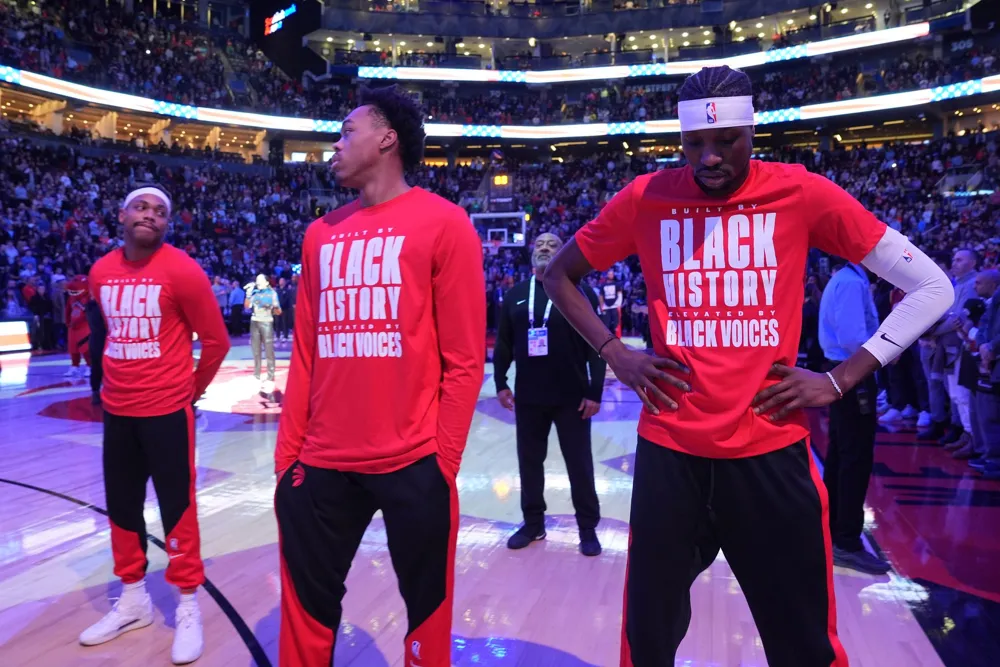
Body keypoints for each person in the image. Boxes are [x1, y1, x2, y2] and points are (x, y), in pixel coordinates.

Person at [542, 65, 953, 667]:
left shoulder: (801, 192)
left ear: (752, 131)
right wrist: (615, 354)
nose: (708, 158)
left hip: (769, 450)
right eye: (694, 145)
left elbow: (931, 287)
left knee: (805, 647)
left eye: (725, 141)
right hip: (670, 451)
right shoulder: (646, 198)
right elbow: (559, 275)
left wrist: (842, 377)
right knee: (646, 643)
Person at [273, 85, 486, 667]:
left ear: (387, 138)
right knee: (306, 618)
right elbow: (306, 354)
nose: (334, 146)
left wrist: (441, 462)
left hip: (413, 461)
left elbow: (466, 359)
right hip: (319, 465)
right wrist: (287, 457)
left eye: (347, 131)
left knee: (427, 618)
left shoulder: (446, 223)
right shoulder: (320, 233)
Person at [79, 184, 231, 665]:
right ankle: (133, 601)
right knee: (122, 509)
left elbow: (216, 340)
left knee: (176, 510)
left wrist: (191, 391)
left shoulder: (182, 269)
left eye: (160, 211)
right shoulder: (100, 271)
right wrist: (102, 390)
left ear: (168, 224)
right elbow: (102, 336)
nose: (150, 215)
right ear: (121, 215)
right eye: (141, 207)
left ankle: (188, 604)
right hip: (118, 412)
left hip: (166, 412)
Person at [493, 232, 605, 556]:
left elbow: (597, 345)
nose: (545, 248)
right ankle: (533, 524)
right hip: (528, 398)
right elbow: (502, 344)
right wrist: (500, 382)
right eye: (539, 245)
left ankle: (587, 528)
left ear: (562, 253)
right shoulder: (514, 295)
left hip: (573, 397)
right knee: (529, 463)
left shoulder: (581, 293)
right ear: (531, 255)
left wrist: (595, 391)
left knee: (579, 464)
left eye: (552, 245)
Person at [817, 259, 890, 574]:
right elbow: (852, 339)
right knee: (854, 459)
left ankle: (833, 531)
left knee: (841, 456)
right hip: (853, 373)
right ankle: (845, 541)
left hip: (844, 372)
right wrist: (887, 353)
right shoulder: (851, 282)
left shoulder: (846, 279)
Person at [244, 273, 281, 393]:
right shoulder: (254, 293)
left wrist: (274, 308)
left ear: (266, 282)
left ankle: (270, 376)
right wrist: (248, 294)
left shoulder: (272, 293)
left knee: (269, 350)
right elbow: (246, 307)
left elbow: (278, 311)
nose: (257, 282)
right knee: (256, 350)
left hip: (266, 322)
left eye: (260, 280)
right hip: (254, 322)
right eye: (256, 280)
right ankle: (257, 374)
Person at [64, 275, 92, 378]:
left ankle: (90, 366)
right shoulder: (71, 298)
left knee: (86, 348)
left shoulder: (90, 297)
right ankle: (74, 366)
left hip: (85, 325)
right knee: (72, 348)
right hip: (73, 326)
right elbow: (67, 310)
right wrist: (67, 322)